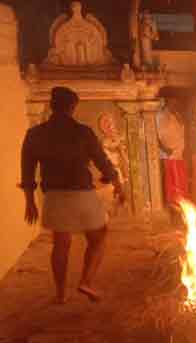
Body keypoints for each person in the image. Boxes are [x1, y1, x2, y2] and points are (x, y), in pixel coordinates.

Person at [20, 87, 124, 304]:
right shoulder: (83, 132)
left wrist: (30, 202)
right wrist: (117, 183)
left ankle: (60, 294)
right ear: (73, 107)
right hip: (82, 194)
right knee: (98, 237)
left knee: (61, 243)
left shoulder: (35, 134)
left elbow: (27, 170)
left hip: (54, 196)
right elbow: (101, 161)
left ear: (51, 106)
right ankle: (86, 281)